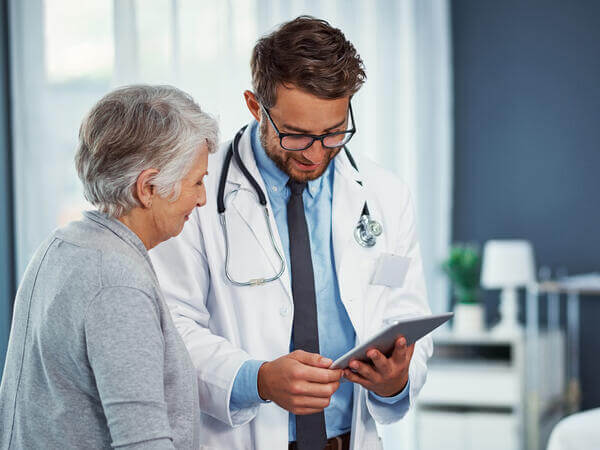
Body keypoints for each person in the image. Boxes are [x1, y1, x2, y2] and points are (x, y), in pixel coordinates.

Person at [150, 16, 432, 450]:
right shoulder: (196, 196)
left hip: (346, 438)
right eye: (297, 135)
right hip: (244, 437)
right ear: (254, 105)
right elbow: (172, 327)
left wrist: (394, 380)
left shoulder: (386, 195)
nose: (317, 153)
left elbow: (405, 316)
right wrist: (257, 379)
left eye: (334, 132)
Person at [0, 85, 219, 449]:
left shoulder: (62, 244)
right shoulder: (115, 281)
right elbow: (143, 442)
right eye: (196, 182)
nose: (201, 198)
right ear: (148, 187)